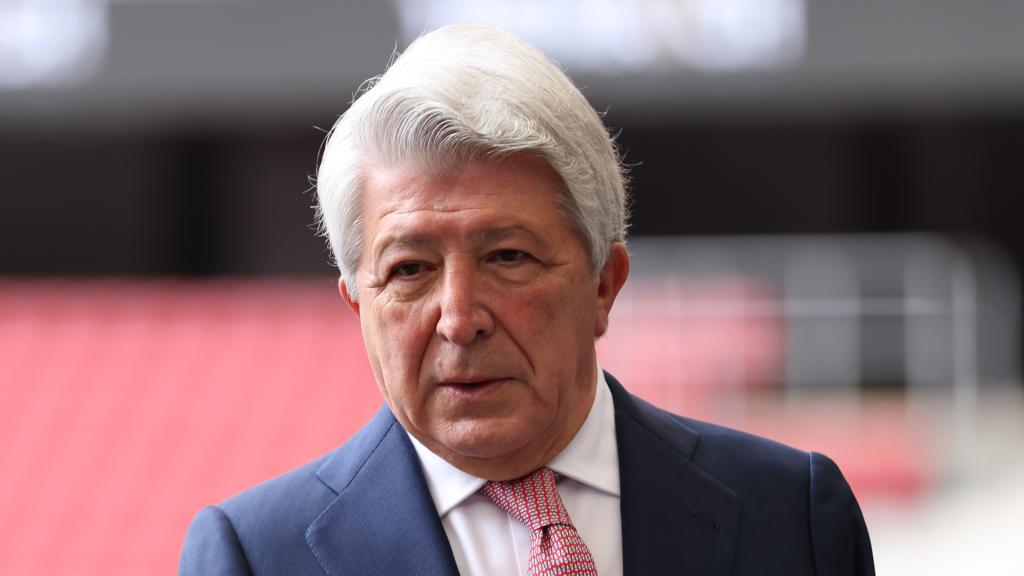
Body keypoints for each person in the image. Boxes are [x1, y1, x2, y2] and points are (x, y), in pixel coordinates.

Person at [180, 23, 874, 576]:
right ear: (358, 306)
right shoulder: (256, 557)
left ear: (604, 283)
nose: (458, 319)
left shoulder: (794, 518)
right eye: (411, 269)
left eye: (507, 257)